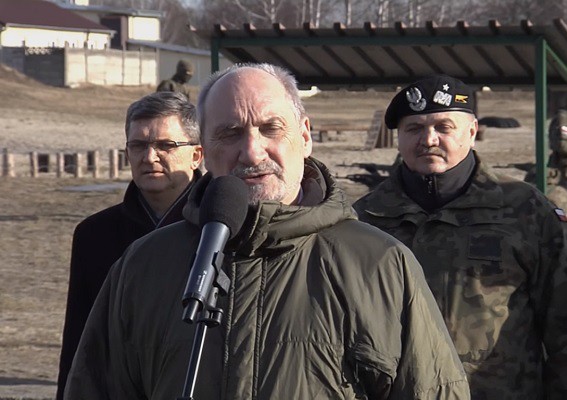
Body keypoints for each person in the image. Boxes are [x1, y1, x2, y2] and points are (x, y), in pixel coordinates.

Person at [64, 63, 470, 399]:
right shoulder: (143, 265)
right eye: (230, 133)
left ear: (305, 136)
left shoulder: (380, 264)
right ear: (204, 150)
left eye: (270, 128)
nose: (252, 151)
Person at [353, 74, 567, 399]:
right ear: (399, 138)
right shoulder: (365, 218)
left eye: (444, 127)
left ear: (472, 131)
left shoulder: (525, 210)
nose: (428, 140)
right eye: (414, 129)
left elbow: (561, 324)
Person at [56, 91, 203, 400]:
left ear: (196, 155)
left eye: (166, 145)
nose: (149, 157)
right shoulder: (94, 235)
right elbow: (79, 342)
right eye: (138, 145)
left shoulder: (221, 230)